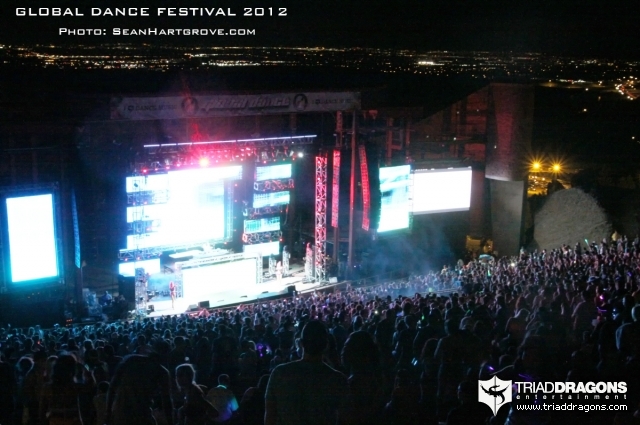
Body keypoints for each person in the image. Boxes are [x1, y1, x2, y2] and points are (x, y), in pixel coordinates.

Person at [265, 320, 349, 425]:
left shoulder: (279, 374)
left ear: (301, 343)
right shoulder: (338, 380)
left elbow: (269, 417)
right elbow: (345, 418)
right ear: (326, 345)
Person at [105, 354, 174, 425]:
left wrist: (108, 412)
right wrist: (170, 421)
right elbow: (166, 400)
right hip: (141, 414)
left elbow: (112, 388)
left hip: (123, 412)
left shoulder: (131, 361)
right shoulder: (161, 371)